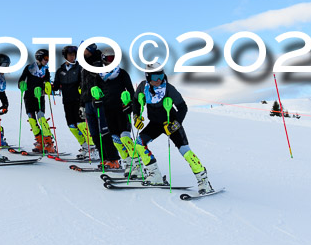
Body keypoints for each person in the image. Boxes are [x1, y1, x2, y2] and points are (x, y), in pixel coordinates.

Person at [132, 64, 214, 193]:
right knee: (138, 144)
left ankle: (204, 181)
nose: (159, 79)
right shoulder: (143, 87)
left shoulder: (169, 89)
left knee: (185, 151)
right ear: (148, 77)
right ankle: (155, 175)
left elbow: (183, 107)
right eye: (155, 76)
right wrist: (136, 116)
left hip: (170, 123)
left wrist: (175, 124)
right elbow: (135, 101)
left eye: (161, 75)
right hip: (155, 124)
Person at [95, 48, 140, 177]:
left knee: (125, 137)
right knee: (115, 140)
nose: (112, 62)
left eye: (114, 59)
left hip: (122, 109)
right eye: (110, 59)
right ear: (104, 59)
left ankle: (137, 165)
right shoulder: (100, 75)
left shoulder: (122, 73)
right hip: (108, 110)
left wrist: (130, 104)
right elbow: (96, 93)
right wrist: (96, 102)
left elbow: (131, 91)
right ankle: (127, 163)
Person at [80, 43, 120, 169]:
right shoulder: (83, 65)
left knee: (104, 132)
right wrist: (82, 104)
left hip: (99, 101)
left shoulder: (98, 62)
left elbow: (104, 81)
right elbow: (83, 85)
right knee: (94, 133)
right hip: (87, 102)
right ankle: (104, 159)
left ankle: (113, 159)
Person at [52, 45, 94, 157]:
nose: (72, 57)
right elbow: (55, 86)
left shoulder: (80, 68)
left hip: (78, 100)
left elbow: (84, 83)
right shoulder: (60, 71)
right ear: (65, 56)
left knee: (81, 124)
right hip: (67, 101)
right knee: (71, 125)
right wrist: (47, 86)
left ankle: (93, 148)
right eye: (70, 54)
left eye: (74, 55)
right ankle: (85, 146)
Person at [17, 49, 55, 154]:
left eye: (48, 59)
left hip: (39, 97)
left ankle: (49, 142)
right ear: (39, 58)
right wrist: (21, 84)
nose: (47, 61)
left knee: (41, 117)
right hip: (28, 97)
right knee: (32, 119)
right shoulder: (29, 68)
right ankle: (39, 141)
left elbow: (46, 83)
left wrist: (45, 89)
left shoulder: (46, 70)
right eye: (46, 58)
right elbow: (21, 79)